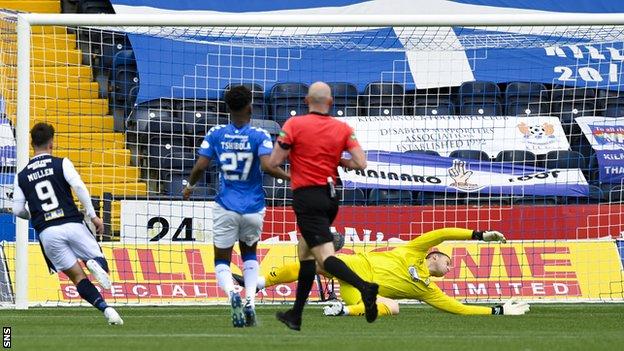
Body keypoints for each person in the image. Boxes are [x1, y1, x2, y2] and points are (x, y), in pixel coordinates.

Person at [269, 81, 379, 331]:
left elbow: (275, 161)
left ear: (307, 101)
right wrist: (338, 160)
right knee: (306, 254)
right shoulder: (342, 128)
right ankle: (295, 315)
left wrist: (297, 156)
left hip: (308, 197)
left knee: (324, 257)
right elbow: (361, 162)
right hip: (331, 197)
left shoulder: (294, 125)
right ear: (330, 103)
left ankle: (366, 287)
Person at [183, 85, 290, 328]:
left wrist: (189, 186)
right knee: (250, 254)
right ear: (250, 108)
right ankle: (251, 300)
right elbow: (267, 167)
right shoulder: (260, 135)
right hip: (253, 206)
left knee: (221, 259)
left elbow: (200, 166)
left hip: (226, 206)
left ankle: (233, 293)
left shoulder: (216, 133)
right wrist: (291, 178)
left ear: (227, 109)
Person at [239, 228, 530, 317]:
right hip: (355, 266)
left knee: (393, 306)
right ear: (435, 254)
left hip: (359, 291)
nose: (450, 267)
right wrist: (479, 236)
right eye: (449, 262)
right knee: (317, 264)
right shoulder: (415, 249)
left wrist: (498, 311)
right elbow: (443, 232)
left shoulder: (426, 289)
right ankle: (259, 282)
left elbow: (457, 308)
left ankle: (342, 309)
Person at [12, 123, 122, 325]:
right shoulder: (61, 163)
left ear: (31, 143)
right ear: (52, 143)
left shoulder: (21, 176)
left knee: (77, 278)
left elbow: (17, 209)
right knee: (98, 260)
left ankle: (106, 310)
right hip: (72, 223)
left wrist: (35, 214)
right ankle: (93, 263)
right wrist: (92, 215)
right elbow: (78, 186)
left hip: (47, 232)